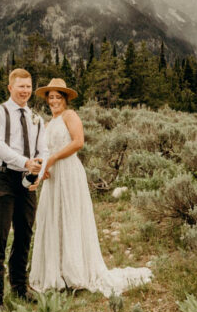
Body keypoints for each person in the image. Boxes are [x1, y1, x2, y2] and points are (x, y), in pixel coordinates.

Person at [28, 78, 152, 296]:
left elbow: (78, 142)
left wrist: (54, 158)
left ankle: (75, 272)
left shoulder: (70, 116)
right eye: (51, 97)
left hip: (68, 172)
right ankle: (56, 272)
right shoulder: (47, 124)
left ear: (65, 99)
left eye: (58, 97)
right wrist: (43, 166)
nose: (54, 101)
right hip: (54, 176)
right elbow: (44, 151)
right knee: (53, 218)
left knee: (71, 217)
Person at [0, 68, 48, 312]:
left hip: (26, 180)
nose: (25, 91)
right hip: (2, 177)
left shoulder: (36, 118)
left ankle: (20, 287)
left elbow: (43, 149)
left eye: (29, 86)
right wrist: (24, 162)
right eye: (20, 86)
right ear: (10, 88)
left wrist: (37, 175)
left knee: (25, 233)